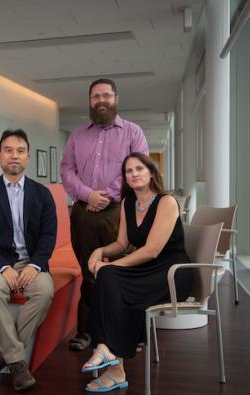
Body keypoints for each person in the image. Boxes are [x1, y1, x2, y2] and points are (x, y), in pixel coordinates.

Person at [81, 152, 193, 393]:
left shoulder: (166, 202)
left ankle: (108, 355)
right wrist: (100, 251)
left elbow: (152, 250)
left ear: (151, 173)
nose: (134, 174)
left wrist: (111, 265)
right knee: (109, 279)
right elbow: (121, 244)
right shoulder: (127, 203)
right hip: (147, 270)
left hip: (172, 272)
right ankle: (111, 358)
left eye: (139, 169)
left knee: (110, 276)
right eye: (129, 171)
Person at [60, 78, 149, 351]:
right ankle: (88, 332)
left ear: (116, 99)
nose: (101, 101)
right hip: (83, 212)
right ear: (89, 101)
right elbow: (66, 170)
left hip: (120, 212)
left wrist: (106, 195)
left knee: (123, 270)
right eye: (96, 96)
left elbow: (138, 169)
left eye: (106, 96)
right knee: (89, 273)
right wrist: (88, 195)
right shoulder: (77, 135)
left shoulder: (133, 133)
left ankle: (127, 332)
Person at [0, 129, 57, 392]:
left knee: (45, 291)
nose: (14, 156)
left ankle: (1, 353)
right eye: (8, 150)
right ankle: (18, 364)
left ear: (28, 157)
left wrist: (35, 265)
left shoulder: (42, 194)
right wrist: (3, 267)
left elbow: (48, 235)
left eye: (20, 151)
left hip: (32, 262)